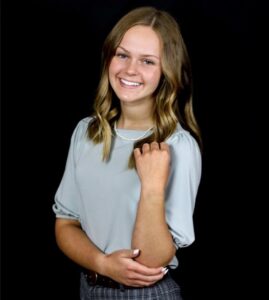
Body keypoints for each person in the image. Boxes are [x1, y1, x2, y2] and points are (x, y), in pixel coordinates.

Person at [53, 6, 202, 300]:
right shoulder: (86, 133)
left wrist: (152, 187)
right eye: (122, 55)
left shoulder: (178, 147)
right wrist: (101, 263)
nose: (130, 70)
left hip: (147, 295)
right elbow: (65, 223)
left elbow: (150, 261)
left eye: (147, 61)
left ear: (167, 71)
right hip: (89, 288)